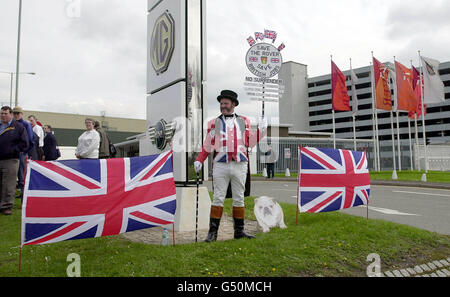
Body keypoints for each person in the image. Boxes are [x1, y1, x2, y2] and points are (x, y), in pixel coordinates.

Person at [194, 90, 267, 242]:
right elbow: (208, 144)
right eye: (221, 104)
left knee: (239, 198)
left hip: (240, 164)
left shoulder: (244, 121)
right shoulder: (214, 122)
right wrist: (200, 159)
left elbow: (250, 143)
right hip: (220, 165)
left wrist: (262, 130)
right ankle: (212, 233)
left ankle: (239, 232)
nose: (223, 106)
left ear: (233, 104)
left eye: (226, 103)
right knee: (218, 198)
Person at [0, 106, 29, 215]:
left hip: (11, 159)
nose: (3, 115)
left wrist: (13, 150)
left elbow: (25, 143)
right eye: (2, 113)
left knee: (9, 184)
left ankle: (7, 206)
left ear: (11, 114)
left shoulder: (18, 127)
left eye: (5, 113)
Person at [12, 106, 34, 197]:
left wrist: (25, 151)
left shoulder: (26, 124)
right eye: (14, 113)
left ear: (21, 114)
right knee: (13, 173)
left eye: (18, 113)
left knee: (22, 173)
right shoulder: (11, 124)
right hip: (13, 152)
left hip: (22, 152)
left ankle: (23, 193)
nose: (16, 115)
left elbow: (30, 139)